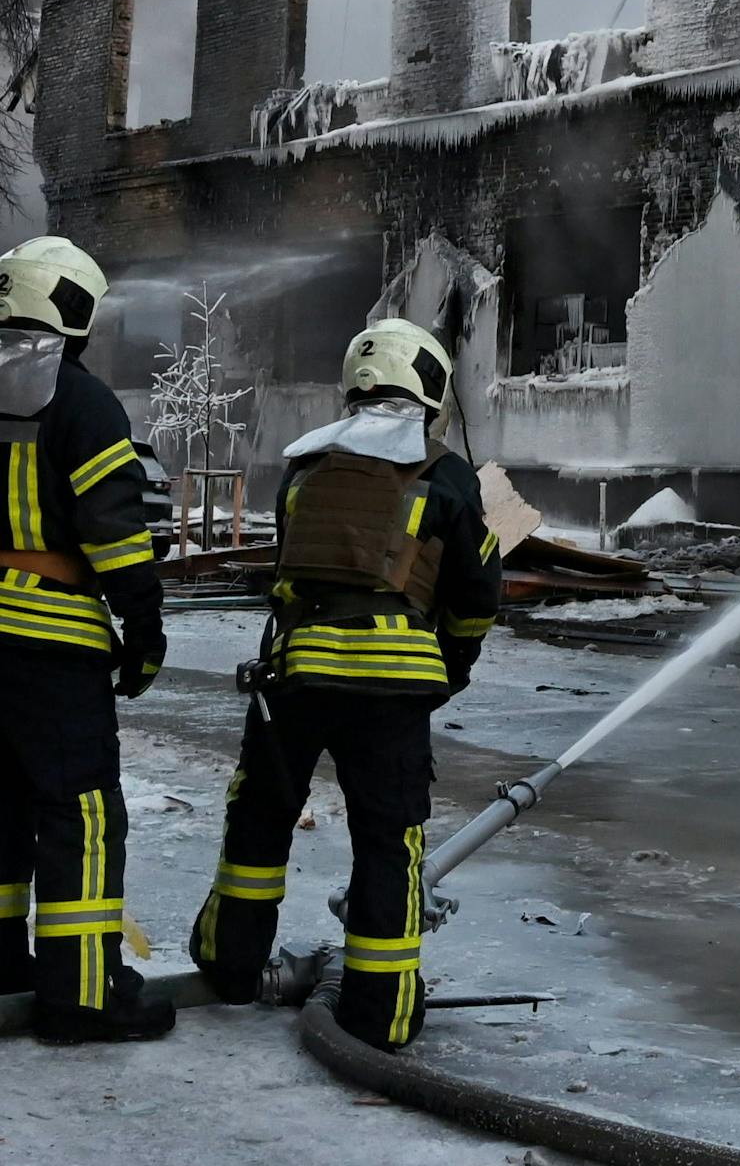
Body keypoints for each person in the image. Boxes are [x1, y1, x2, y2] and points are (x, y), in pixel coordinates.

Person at [190, 317, 500, 1050]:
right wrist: (448, 665)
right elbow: (477, 593)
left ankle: (230, 968)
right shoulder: (446, 472)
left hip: (294, 674)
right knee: (389, 841)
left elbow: (288, 571)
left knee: (262, 816)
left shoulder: (307, 463)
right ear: (427, 389)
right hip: (391, 686)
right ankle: (382, 1013)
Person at [0, 235, 173, 1043]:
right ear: (72, 310)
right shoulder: (80, 403)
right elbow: (116, 535)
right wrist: (143, 629)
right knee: (79, 811)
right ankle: (81, 993)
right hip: (50, 641)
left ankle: (5, 967)